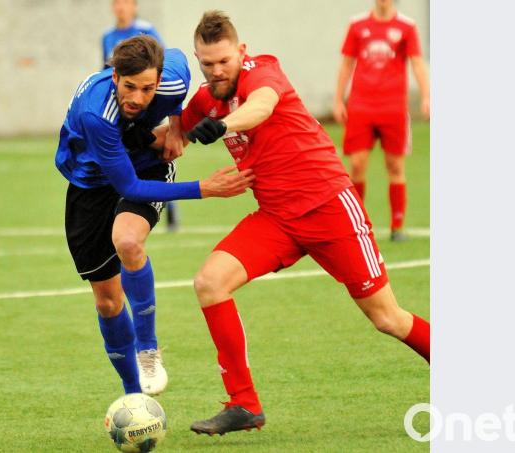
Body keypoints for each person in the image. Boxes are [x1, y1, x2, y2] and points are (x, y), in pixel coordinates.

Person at [178, 11, 430, 436]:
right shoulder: (206, 99)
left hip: (330, 207)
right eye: (207, 63)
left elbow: (261, 107)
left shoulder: (264, 71)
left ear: (241, 51)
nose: (217, 70)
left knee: (387, 318)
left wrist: (221, 125)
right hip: (276, 219)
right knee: (209, 282)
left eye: (224, 61)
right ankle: (244, 405)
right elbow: (171, 138)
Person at [54, 35, 254, 397]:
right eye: (129, 87)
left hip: (143, 163)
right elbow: (128, 186)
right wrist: (202, 188)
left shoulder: (173, 77)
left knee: (128, 241)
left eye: (147, 89)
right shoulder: (96, 115)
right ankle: (134, 395)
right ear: (114, 77)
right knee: (108, 301)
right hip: (91, 181)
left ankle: (148, 349)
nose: (137, 98)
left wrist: (176, 126)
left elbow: (175, 59)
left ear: (159, 80)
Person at [332, 0, 430, 241]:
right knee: (356, 165)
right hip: (361, 106)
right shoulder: (357, 25)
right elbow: (346, 64)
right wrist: (338, 100)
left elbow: (417, 63)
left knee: (395, 166)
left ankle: (397, 226)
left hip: (393, 107)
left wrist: (427, 96)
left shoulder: (407, 26)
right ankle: (356, 225)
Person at [102, 0, 181, 231]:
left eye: (125, 3)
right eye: (116, 3)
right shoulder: (107, 36)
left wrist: (175, 125)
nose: (120, 8)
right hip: (121, 110)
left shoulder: (146, 30)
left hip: (144, 109)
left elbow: (161, 67)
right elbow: (104, 70)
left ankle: (170, 209)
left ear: (134, 6)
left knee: (157, 155)